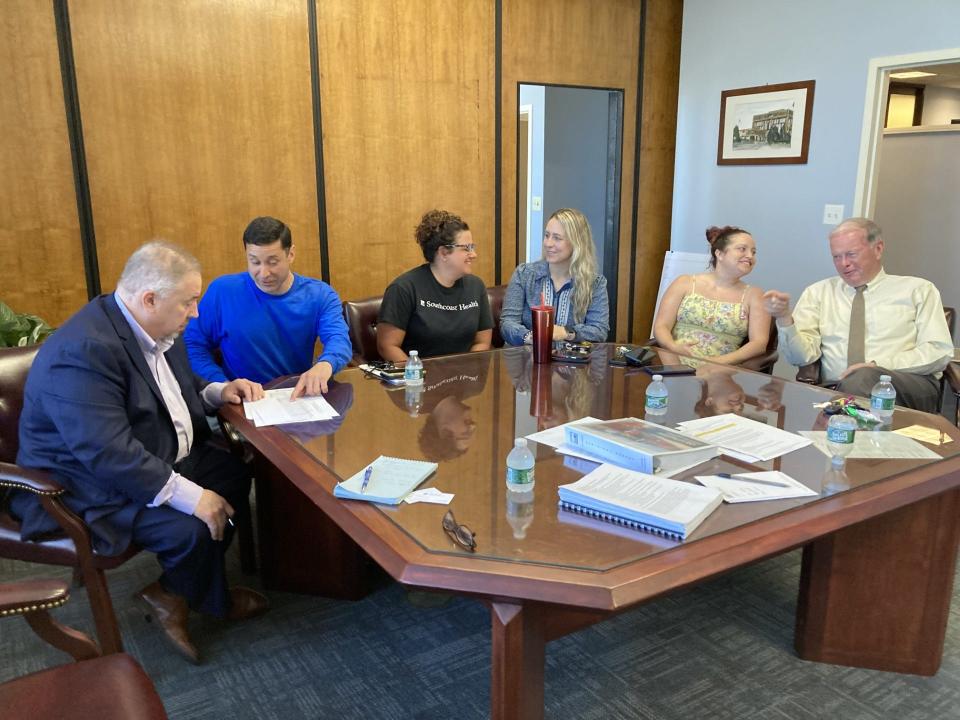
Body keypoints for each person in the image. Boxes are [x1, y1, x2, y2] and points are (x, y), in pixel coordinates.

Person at [11, 241, 268, 664]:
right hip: (81, 485)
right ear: (150, 298)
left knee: (234, 475)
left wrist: (218, 391)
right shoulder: (85, 351)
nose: (196, 312)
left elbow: (167, 399)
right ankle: (194, 598)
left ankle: (171, 591)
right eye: (190, 301)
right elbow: (107, 454)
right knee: (193, 527)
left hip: (151, 454)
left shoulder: (158, 327)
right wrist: (193, 496)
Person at [762, 218, 952, 412]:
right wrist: (784, 318)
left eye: (851, 254)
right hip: (836, 388)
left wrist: (876, 366)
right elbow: (800, 358)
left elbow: (938, 352)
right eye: (836, 257)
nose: (844, 264)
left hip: (905, 386)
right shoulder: (818, 292)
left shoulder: (918, 290)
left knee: (862, 378)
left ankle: (841, 423)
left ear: (878, 249)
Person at [184, 216, 352, 397]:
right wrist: (223, 385)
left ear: (291, 254)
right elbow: (193, 345)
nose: (264, 273)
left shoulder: (320, 295)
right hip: (243, 400)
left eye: (273, 262)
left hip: (296, 396)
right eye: (255, 262)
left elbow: (339, 339)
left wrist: (325, 364)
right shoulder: (222, 291)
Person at [377, 209, 493, 361]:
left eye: (473, 247)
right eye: (466, 248)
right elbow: (387, 346)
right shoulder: (404, 288)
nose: (474, 254)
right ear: (444, 252)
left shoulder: (476, 286)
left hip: (465, 378)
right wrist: (418, 377)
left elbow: (482, 342)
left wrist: (464, 371)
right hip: (420, 379)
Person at [653, 226, 770, 364]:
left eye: (753, 252)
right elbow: (661, 326)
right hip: (672, 362)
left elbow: (759, 344)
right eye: (742, 249)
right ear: (719, 254)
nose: (750, 256)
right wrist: (673, 347)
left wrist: (718, 363)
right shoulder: (684, 283)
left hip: (720, 371)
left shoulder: (755, 296)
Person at [500, 208, 609, 346]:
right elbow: (507, 323)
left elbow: (599, 330)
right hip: (526, 361)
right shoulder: (524, 274)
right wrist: (530, 337)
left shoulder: (595, 284)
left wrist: (566, 332)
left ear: (577, 244)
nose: (548, 243)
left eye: (557, 238)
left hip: (570, 365)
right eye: (547, 235)